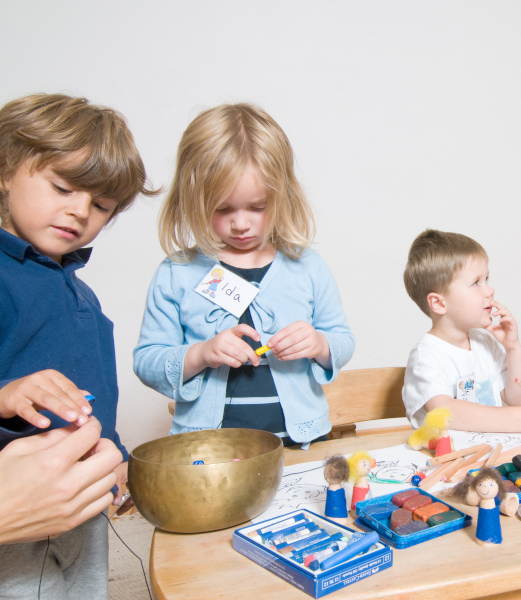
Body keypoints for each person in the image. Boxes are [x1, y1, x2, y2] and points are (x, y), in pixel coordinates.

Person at [0, 93, 153, 598]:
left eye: (102, 205)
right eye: (62, 187)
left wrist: (118, 459)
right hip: (18, 508)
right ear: (5, 170)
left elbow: (92, 397)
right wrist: (6, 392)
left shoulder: (81, 294)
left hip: (81, 504)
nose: (80, 211)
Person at [133, 104, 355, 447]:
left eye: (257, 207)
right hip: (209, 452)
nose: (240, 223)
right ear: (193, 198)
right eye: (222, 208)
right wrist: (200, 353)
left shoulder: (308, 266)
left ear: (283, 196)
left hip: (300, 444)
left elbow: (342, 340)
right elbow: (147, 360)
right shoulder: (176, 274)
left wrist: (320, 344)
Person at [401, 229, 521, 433]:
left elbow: (518, 399)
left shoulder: (485, 342)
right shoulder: (426, 356)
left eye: (487, 279)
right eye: (476, 283)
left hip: (488, 454)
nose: (490, 290)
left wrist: (513, 348)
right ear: (439, 303)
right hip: (447, 459)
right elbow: (443, 412)